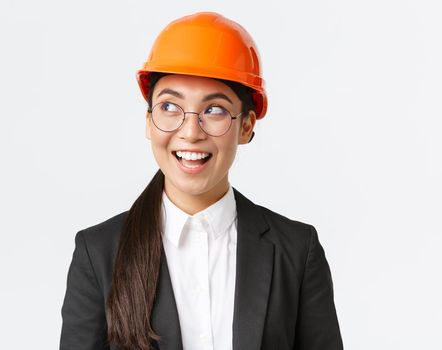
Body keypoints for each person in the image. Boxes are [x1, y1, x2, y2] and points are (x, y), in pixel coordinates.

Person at [59, 12, 343, 350]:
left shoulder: (296, 251)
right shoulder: (99, 253)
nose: (190, 132)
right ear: (149, 121)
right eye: (170, 106)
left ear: (247, 126)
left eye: (215, 110)